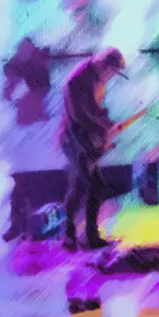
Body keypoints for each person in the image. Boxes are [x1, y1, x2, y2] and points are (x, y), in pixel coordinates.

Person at [59, 49, 128, 250]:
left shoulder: (96, 78)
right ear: (103, 65)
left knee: (79, 187)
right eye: (111, 72)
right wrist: (105, 130)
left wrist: (108, 125)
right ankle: (87, 236)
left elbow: (95, 111)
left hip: (85, 141)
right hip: (75, 142)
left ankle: (71, 236)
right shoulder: (76, 82)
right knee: (93, 186)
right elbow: (80, 117)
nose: (111, 77)